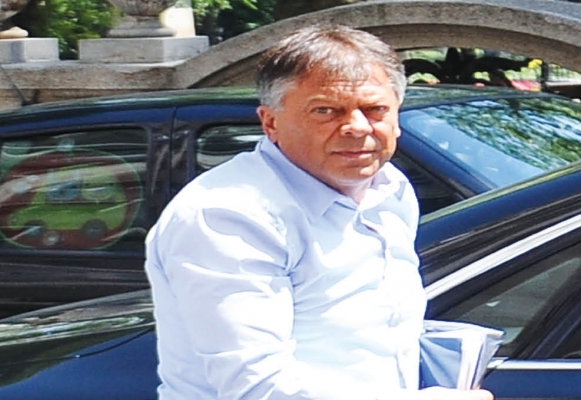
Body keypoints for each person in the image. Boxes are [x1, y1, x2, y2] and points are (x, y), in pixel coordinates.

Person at [144, 25, 494, 400]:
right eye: (326, 111)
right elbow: (256, 385)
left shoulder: (390, 189)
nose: (356, 127)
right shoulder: (227, 216)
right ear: (270, 122)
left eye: (375, 109)